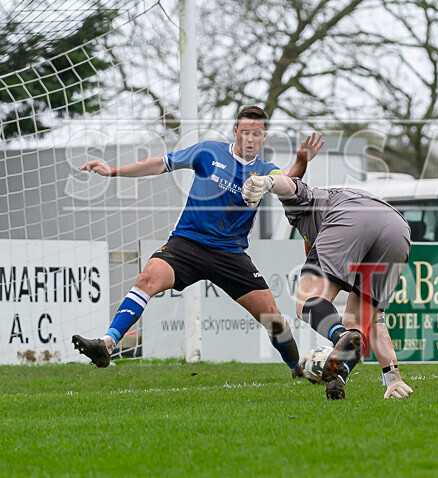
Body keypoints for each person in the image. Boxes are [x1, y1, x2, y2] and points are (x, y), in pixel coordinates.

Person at [71, 106, 323, 379]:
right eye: (246, 132)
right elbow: (160, 164)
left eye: (257, 134)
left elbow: (289, 181)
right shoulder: (208, 152)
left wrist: (302, 160)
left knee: (273, 318)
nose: (250, 139)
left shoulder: (264, 171)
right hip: (187, 243)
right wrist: (113, 171)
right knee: (147, 279)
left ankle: (297, 369)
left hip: (230, 253)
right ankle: (107, 344)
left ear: (264, 137)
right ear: (235, 131)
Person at [241, 173, 414, 400]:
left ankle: (340, 336)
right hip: (397, 228)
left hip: (350, 216)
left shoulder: (307, 202)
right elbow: (376, 322)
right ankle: (338, 380)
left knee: (306, 302)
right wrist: (393, 376)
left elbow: (288, 185)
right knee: (359, 322)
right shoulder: (336, 202)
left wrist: (267, 182)